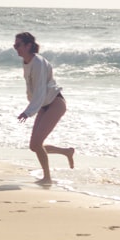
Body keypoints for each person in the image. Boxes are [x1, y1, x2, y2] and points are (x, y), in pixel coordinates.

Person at [14, 32, 75, 185]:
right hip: (43, 104)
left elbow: (40, 89)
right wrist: (32, 107)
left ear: (28, 45)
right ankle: (66, 152)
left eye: (18, 45)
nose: (16, 49)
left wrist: (28, 112)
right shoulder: (26, 62)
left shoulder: (38, 62)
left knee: (37, 143)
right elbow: (32, 89)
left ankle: (47, 178)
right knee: (34, 145)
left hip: (55, 103)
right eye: (15, 46)